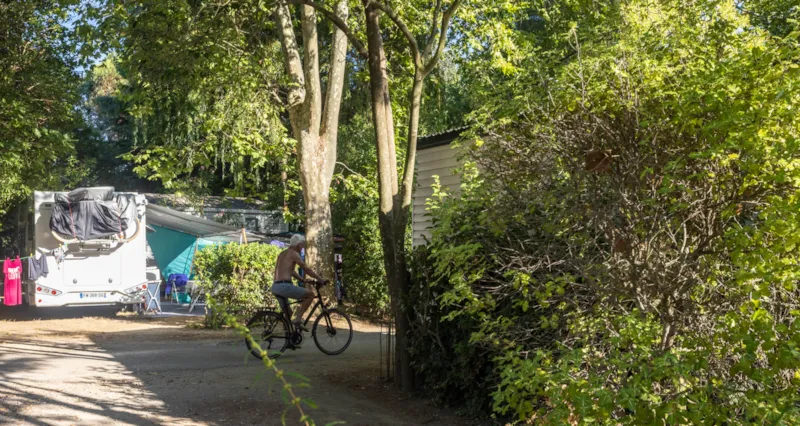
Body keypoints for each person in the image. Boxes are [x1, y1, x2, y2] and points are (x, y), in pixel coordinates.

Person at [271, 234, 327, 331]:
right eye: (303, 245)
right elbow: (306, 269)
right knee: (310, 295)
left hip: (276, 286)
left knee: (288, 314)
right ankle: (298, 318)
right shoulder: (293, 253)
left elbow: (291, 271)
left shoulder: (282, 254)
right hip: (284, 286)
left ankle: (288, 339)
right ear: (298, 244)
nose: (303, 248)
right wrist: (320, 279)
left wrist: (302, 280)